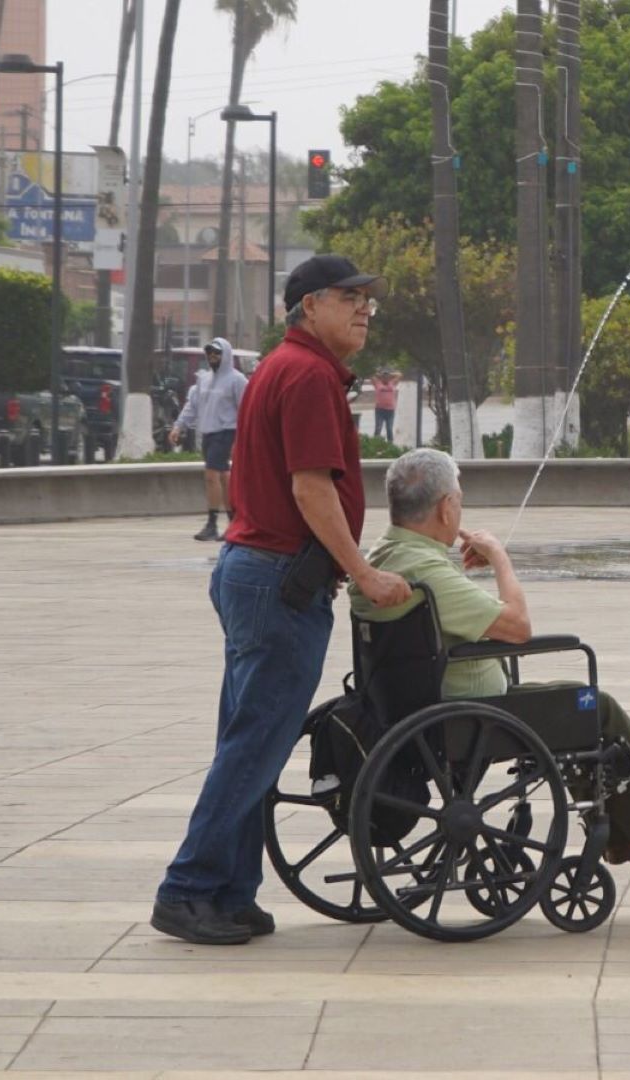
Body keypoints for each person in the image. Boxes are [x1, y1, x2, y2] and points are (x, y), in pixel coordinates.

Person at [152, 255, 411, 947]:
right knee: (253, 747)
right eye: (349, 298)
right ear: (308, 306)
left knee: (249, 742)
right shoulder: (307, 376)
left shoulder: (289, 368)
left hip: (258, 573)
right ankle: (186, 890)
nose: (363, 310)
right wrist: (363, 573)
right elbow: (311, 489)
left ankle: (230, 894)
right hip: (278, 580)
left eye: (367, 301)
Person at [350, 449, 630, 863]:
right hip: (468, 714)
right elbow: (517, 627)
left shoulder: (384, 558)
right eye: (459, 499)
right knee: (593, 707)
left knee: (567, 706)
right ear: (445, 508)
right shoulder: (429, 571)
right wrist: (499, 557)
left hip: (421, 706)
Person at [169, 338, 249, 542]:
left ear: (226, 355)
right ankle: (233, 521)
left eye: (217, 353)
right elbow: (192, 406)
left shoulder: (237, 380)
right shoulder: (203, 379)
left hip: (227, 432)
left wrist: (244, 437)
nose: (213, 357)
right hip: (208, 433)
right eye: (210, 353)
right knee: (223, 477)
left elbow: (246, 409)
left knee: (211, 475)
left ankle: (212, 523)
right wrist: (179, 426)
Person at [371, 368, 401, 443]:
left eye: (387, 377)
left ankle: (390, 444)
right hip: (380, 410)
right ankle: (375, 443)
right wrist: (380, 375)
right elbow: (371, 375)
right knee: (378, 428)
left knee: (389, 429)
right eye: (384, 376)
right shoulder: (378, 383)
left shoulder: (393, 383)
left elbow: (399, 375)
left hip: (390, 410)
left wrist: (390, 375)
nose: (385, 378)